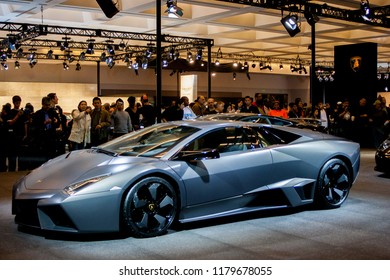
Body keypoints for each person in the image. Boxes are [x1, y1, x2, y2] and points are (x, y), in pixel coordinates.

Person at [31, 96, 58, 166]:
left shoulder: (52, 112)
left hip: (51, 135)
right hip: (42, 136)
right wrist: (44, 123)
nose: (48, 107)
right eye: (46, 105)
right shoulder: (38, 113)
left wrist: (54, 121)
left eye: (49, 105)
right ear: (42, 104)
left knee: (51, 154)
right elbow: (35, 125)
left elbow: (57, 122)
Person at [6, 95, 26, 171]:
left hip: (21, 135)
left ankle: (21, 169)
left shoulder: (22, 112)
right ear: (13, 103)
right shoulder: (11, 112)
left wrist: (25, 134)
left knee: (21, 155)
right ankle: (11, 169)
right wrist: (18, 115)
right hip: (13, 136)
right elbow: (10, 123)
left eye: (19, 102)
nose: (18, 104)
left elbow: (25, 123)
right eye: (16, 102)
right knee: (12, 155)